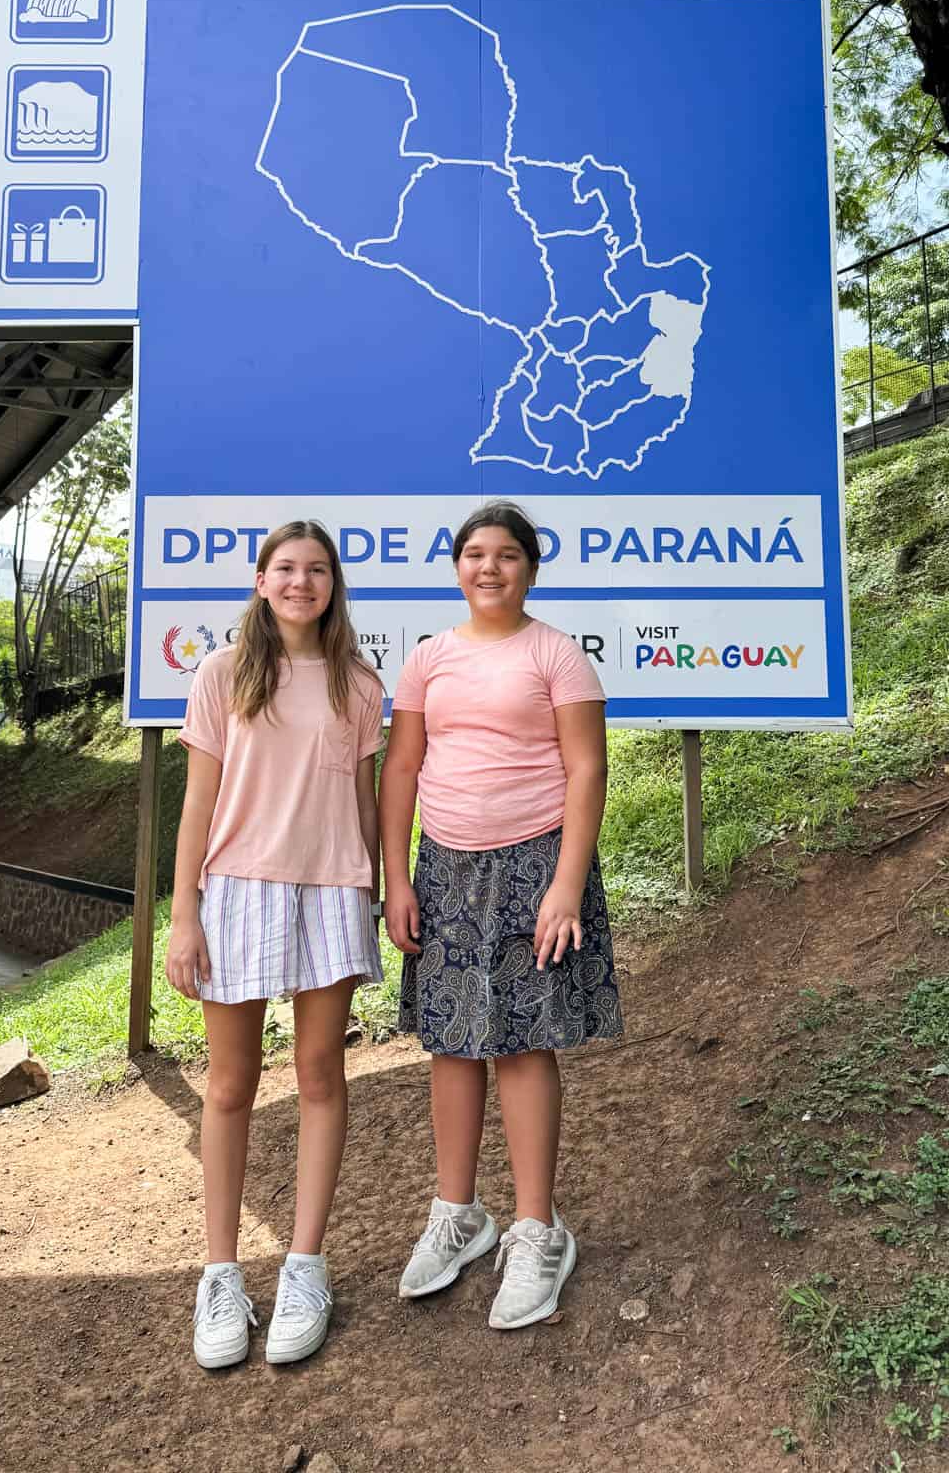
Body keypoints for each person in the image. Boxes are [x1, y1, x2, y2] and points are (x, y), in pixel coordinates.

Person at [380, 501, 623, 1330]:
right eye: (475, 554)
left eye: (507, 555)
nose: (490, 568)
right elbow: (401, 769)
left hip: (535, 866)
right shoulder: (427, 660)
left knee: (520, 1044)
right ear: (456, 566)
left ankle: (535, 1228)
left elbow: (586, 770)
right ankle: (459, 1214)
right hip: (443, 870)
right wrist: (397, 878)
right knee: (452, 1044)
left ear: (530, 567)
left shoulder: (557, 654)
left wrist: (565, 883)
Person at [165, 521, 385, 1372]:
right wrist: (185, 915)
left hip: (333, 889)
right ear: (261, 582)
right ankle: (221, 1274)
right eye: (286, 569)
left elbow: (366, 802)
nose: (301, 583)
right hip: (240, 892)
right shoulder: (222, 675)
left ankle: (304, 1267)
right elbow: (197, 805)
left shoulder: (360, 687)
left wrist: (378, 886)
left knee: (321, 1076)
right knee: (229, 1086)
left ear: (334, 584)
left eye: (317, 570)